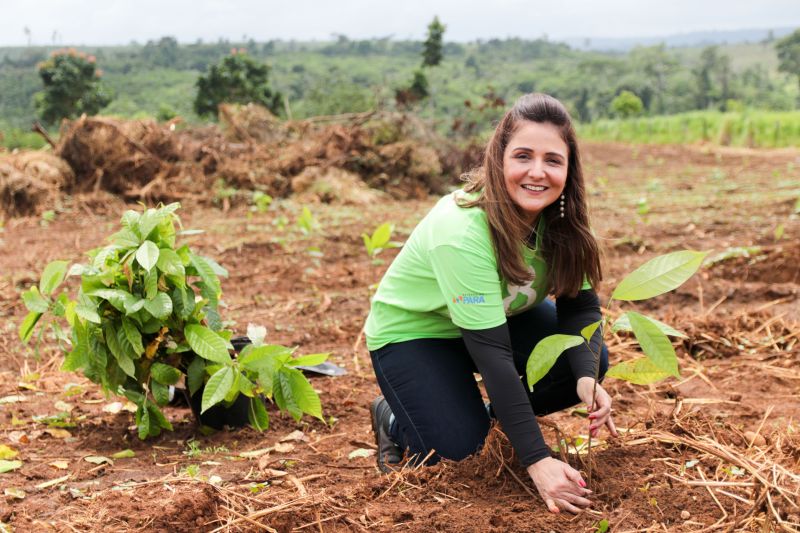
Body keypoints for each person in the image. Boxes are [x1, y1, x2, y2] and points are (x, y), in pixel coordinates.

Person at [365, 93, 618, 514]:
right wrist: (537, 460)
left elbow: (581, 309)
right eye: (523, 156)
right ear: (499, 160)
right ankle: (394, 416)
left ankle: (477, 415)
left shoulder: (563, 222)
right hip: (419, 333)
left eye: (553, 160)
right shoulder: (462, 230)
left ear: (569, 169)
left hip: (498, 317)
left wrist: (586, 379)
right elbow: (495, 356)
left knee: (584, 359)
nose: (537, 172)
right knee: (460, 454)